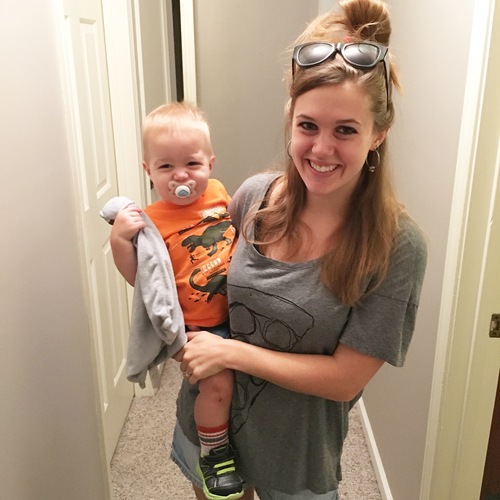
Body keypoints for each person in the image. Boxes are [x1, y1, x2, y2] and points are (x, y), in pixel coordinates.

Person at [173, 0, 428, 499]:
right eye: (308, 125)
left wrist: (231, 352)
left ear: (379, 134)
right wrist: (134, 251)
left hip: (295, 454)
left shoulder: (396, 247)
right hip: (211, 427)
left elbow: (344, 379)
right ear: (291, 118)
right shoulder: (253, 197)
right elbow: (196, 281)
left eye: (346, 130)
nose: (321, 149)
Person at [110, 102, 244, 500]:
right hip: (197, 328)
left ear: (210, 164)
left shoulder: (219, 193)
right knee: (217, 385)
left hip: (240, 316)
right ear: (148, 170)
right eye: (166, 166)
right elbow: (143, 282)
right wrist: (120, 240)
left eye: (192, 164)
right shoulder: (152, 220)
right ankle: (214, 453)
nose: (180, 175)